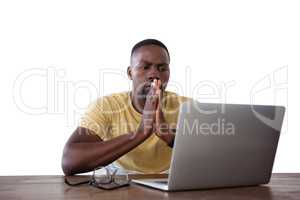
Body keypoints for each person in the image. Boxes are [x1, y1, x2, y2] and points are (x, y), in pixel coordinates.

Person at [61, 39, 190, 175]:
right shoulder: (106, 106)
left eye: (162, 68)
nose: (155, 74)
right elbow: (69, 162)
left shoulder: (187, 107)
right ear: (130, 73)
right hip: (120, 180)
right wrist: (139, 133)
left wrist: (170, 137)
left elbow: (212, 156)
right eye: (145, 67)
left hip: (170, 178)